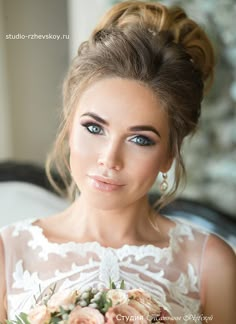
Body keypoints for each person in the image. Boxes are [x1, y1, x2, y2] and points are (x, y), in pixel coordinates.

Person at [0, 1, 235, 323]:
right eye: (94, 128)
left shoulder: (211, 263)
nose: (109, 159)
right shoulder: (9, 251)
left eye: (140, 139)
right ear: (69, 128)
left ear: (169, 154)